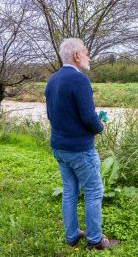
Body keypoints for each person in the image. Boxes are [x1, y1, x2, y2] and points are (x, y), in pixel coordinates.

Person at [45, 38, 119, 250]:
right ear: (77, 55)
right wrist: (100, 126)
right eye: (86, 52)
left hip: (59, 146)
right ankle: (95, 241)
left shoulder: (52, 80)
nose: (88, 56)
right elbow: (88, 118)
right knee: (94, 191)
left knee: (69, 191)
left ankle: (72, 237)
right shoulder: (80, 80)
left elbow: (52, 114)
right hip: (79, 149)